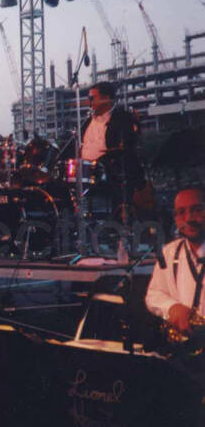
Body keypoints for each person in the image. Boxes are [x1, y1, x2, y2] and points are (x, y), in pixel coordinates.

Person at [146, 186, 205, 340]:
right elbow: (153, 294)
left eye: (197, 210)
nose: (189, 218)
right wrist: (173, 308)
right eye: (181, 212)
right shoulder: (169, 252)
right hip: (185, 351)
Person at [79, 81, 146, 209]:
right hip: (84, 173)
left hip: (110, 173)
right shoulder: (86, 121)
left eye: (93, 98)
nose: (90, 102)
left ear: (106, 98)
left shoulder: (122, 118)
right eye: (89, 98)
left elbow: (125, 148)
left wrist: (100, 162)